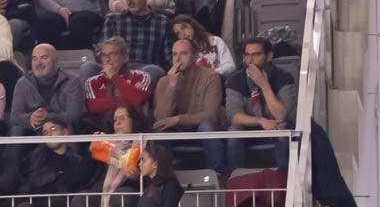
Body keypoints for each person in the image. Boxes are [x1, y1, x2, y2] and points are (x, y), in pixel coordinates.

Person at [224, 37, 297, 173]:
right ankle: (235, 179)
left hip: (276, 126)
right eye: (247, 55)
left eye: (256, 55)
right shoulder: (235, 80)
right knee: (234, 131)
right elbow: (234, 116)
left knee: (283, 131)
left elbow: (281, 115)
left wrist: (264, 85)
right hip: (249, 127)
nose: (250, 60)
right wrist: (260, 120)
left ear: (269, 56)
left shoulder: (283, 77)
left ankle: (285, 178)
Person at [152, 39, 225, 173]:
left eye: (183, 53)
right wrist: (172, 86)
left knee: (207, 127)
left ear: (195, 56)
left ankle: (218, 174)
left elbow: (211, 115)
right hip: (176, 129)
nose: (178, 59)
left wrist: (178, 119)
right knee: (158, 130)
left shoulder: (210, 76)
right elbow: (160, 118)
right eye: (174, 54)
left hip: (199, 126)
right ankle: (164, 176)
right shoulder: (164, 81)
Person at [83, 36, 155, 132]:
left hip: (133, 129)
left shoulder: (141, 76)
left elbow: (138, 99)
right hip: (102, 129)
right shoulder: (92, 82)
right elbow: (91, 106)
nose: (107, 59)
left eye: (112, 54)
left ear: (125, 57)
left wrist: (114, 76)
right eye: (104, 55)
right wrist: (129, 99)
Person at [8, 44, 84, 135]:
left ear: (56, 61)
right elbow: (15, 116)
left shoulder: (72, 81)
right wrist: (30, 117)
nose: (38, 63)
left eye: (44, 58)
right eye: (34, 59)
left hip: (60, 128)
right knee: (16, 129)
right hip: (33, 129)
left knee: (69, 127)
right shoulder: (23, 83)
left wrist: (48, 117)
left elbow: (74, 115)